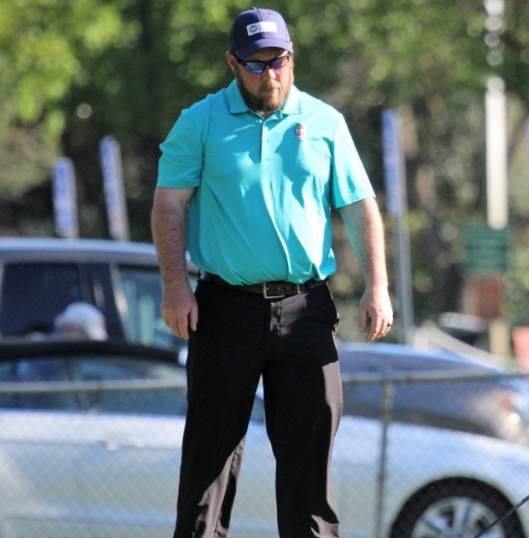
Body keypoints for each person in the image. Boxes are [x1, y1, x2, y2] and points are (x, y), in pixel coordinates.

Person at [152, 8, 392, 538]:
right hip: (225, 308)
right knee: (208, 465)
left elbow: (359, 205)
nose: (270, 75)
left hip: (306, 308)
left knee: (310, 471)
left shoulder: (325, 121)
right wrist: (175, 286)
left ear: (291, 57)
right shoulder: (200, 121)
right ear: (233, 63)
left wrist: (378, 285)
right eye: (256, 65)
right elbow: (169, 206)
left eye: (278, 62)